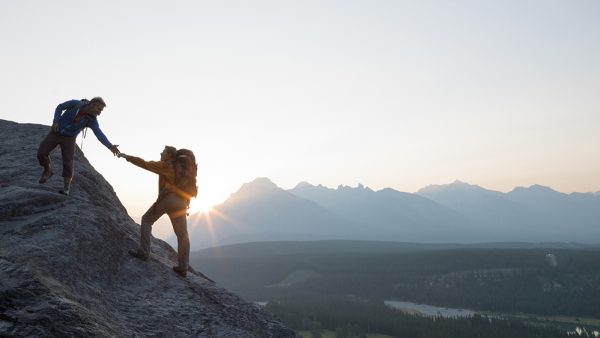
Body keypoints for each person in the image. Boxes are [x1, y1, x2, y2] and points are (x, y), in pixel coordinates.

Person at [120, 146, 191, 277]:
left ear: (168, 155)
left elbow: (145, 164)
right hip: (182, 202)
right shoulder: (182, 168)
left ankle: (144, 252)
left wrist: (127, 157)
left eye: (163, 152)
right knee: (182, 235)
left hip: (168, 199)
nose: (160, 153)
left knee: (146, 220)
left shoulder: (166, 165)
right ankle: (183, 267)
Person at [37, 97, 120, 195]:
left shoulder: (92, 120)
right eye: (99, 109)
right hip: (56, 132)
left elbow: (99, 134)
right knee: (41, 153)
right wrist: (55, 121)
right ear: (92, 104)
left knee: (68, 162)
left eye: (101, 110)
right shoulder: (75, 104)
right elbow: (60, 107)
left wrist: (110, 146)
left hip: (69, 138)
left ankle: (66, 189)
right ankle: (47, 170)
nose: (99, 113)